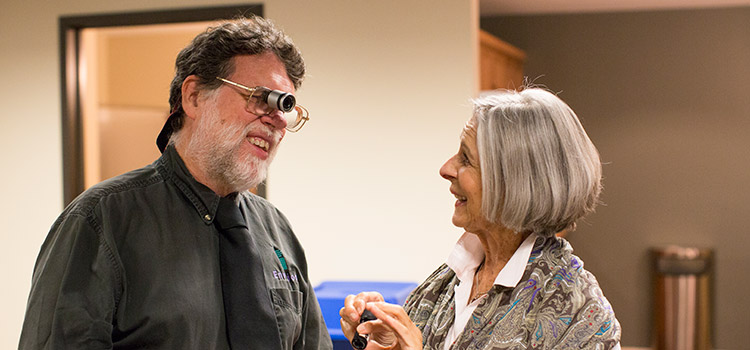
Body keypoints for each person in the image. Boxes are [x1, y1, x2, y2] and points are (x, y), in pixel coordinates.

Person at [20, 17, 331, 349]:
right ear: (194, 97)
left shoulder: (275, 230)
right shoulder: (103, 221)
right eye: (261, 97)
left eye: (287, 108)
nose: (277, 121)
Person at [340, 88, 621, 349]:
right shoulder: (449, 281)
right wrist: (388, 339)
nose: (446, 168)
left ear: (512, 182)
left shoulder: (582, 318)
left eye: (465, 159)